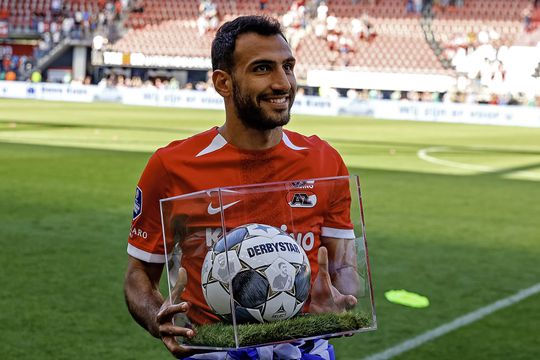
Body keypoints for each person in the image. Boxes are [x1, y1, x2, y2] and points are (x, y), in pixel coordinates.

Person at [124, 15, 358, 360]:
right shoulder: (171, 166)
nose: (283, 83)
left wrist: (342, 300)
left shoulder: (324, 161)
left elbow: (343, 268)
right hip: (211, 352)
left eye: (288, 67)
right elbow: (138, 275)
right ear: (223, 82)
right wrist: (157, 318)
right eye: (263, 69)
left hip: (306, 350)